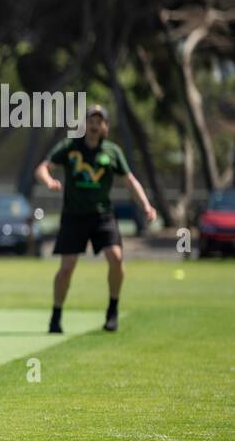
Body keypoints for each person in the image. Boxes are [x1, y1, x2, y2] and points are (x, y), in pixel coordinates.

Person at [35, 104, 157, 334]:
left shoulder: (112, 152)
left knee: (116, 257)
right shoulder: (70, 147)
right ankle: (56, 314)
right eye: (91, 120)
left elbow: (130, 181)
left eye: (99, 121)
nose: (94, 124)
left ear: (105, 127)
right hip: (73, 216)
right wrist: (49, 181)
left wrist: (146, 205)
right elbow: (42, 168)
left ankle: (112, 309)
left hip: (102, 215)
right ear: (85, 124)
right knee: (67, 268)